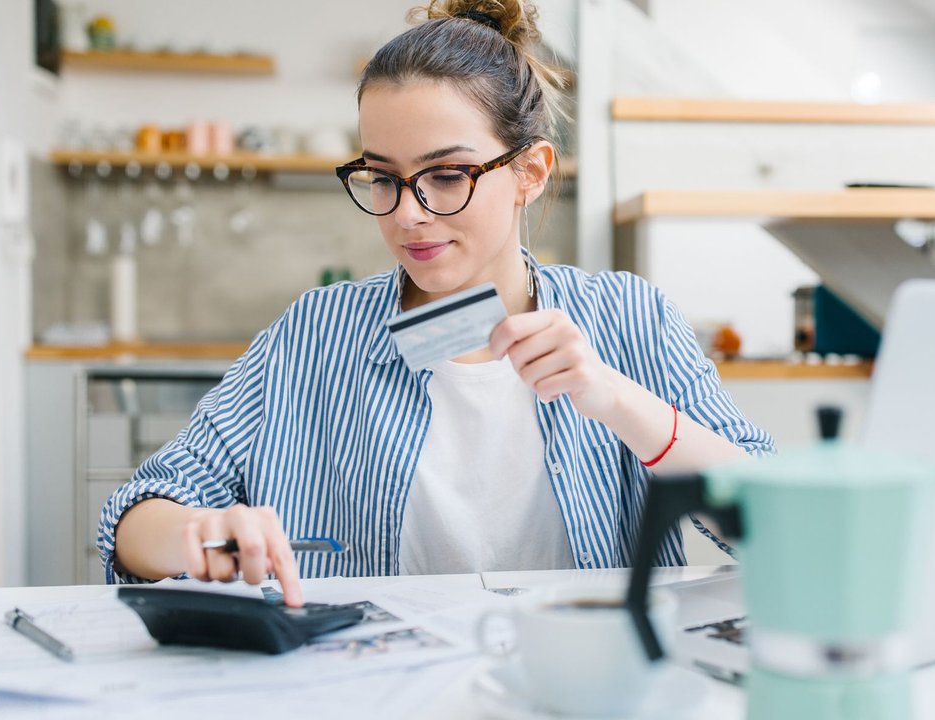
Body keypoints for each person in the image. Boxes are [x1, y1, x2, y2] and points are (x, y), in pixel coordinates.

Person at [98, 0, 774, 607]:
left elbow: (784, 528)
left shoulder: (630, 318)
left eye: (446, 176)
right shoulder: (315, 334)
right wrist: (198, 531)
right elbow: (132, 518)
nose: (410, 215)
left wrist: (618, 401)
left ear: (529, 173)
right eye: (383, 178)